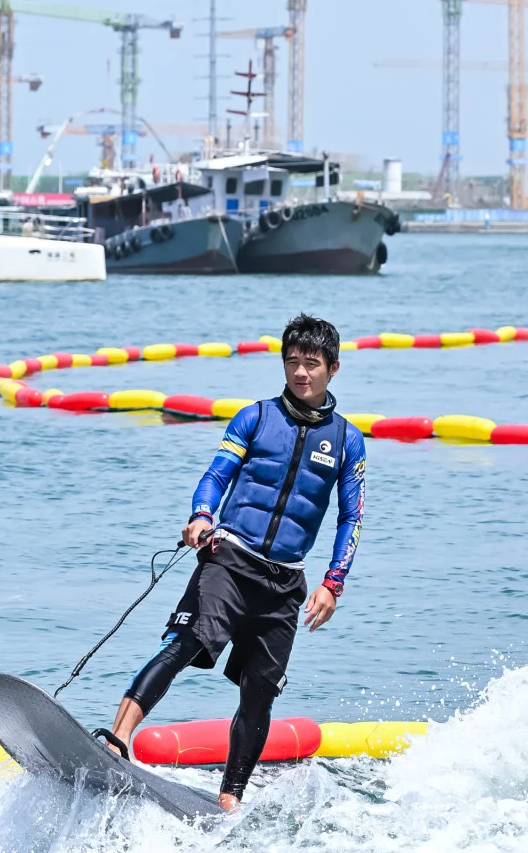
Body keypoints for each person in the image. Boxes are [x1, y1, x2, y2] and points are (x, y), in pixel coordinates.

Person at [105, 312, 366, 811]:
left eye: (312, 364)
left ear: (333, 368)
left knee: (259, 693)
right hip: (229, 558)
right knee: (184, 644)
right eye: (292, 363)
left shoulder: (348, 441)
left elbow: (351, 518)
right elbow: (216, 474)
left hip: (285, 582)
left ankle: (230, 800)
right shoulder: (256, 417)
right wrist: (201, 515)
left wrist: (334, 582)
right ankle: (118, 741)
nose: (301, 373)